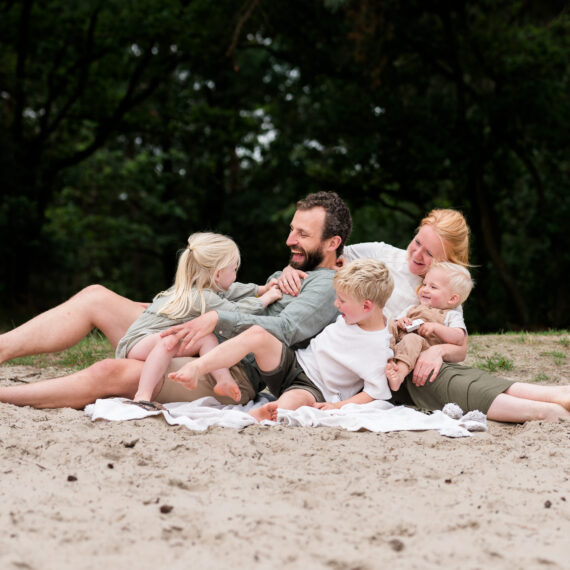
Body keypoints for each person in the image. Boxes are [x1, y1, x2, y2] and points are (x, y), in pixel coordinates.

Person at [0, 191, 351, 409]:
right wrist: (274, 279)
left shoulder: (328, 285)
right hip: (196, 335)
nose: (290, 239)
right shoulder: (296, 269)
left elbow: (286, 329)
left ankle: (6, 396)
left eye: (302, 234)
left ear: (333, 243)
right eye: (292, 229)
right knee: (96, 297)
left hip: (228, 367)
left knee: (111, 372)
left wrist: (217, 319)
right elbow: (250, 294)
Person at [274, 209, 570, 422]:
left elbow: (460, 347)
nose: (416, 255)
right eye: (417, 243)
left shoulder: (443, 289)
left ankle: (554, 395)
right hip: (382, 365)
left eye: (429, 254)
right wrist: (293, 268)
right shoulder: (379, 253)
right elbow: (323, 256)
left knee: (455, 375)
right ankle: (548, 406)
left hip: (411, 362)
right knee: (448, 384)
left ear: (447, 260)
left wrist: (438, 351)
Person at [168, 259, 396, 422]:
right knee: (257, 334)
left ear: (366, 306)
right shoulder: (353, 316)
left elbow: (375, 392)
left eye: (342, 301)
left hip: (312, 388)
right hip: (293, 363)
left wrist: (337, 406)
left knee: (290, 403)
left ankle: (258, 417)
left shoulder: (378, 347)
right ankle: (197, 367)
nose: (336, 305)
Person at [119, 232, 282, 405]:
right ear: (217, 275)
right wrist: (266, 298)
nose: (236, 274)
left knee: (207, 339)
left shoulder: (197, 288)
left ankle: (223, 379)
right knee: (169, 342)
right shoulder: (203, 297)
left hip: (142, 340)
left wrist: (260, 289)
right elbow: (236, 312)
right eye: (234, 269)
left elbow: (232, 290)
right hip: (136, 344)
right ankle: (143, 395)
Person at [385, 261, 473, 390]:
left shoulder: (451, 315)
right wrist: (401, 322)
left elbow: (459, 337)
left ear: (452, 299)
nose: (424, 289)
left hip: (422, 350)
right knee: (388, 323)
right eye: (424, 284)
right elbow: (397, 324)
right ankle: (387, 359)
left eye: (433, 287)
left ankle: (399, 375)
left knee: (412, 339)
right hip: (400, 344)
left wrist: (436, 328)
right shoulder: (412, 308)